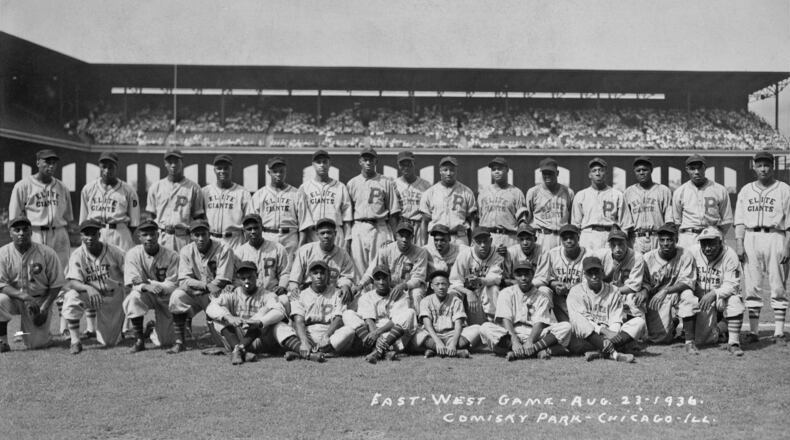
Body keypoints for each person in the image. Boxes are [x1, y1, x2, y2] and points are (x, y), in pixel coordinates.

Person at [206, 261, 322, 365]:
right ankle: (239, 349)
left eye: (250, 277)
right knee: (219, 318)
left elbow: (280, 311)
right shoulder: (232, 294)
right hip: (238, 336)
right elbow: (210, 308)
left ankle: (305, 352)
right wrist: (229, 317)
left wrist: (260, 322)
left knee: (277, 323)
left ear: (257, 276)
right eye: (243, 278)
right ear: (238, 279)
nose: (247, 281)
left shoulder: (266, 294)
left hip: (259, 338)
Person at [734, 151, 790, 345]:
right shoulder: (746, 190)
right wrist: (739, 243)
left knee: (778, 285)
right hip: (751, 237)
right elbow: (739, 220)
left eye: (767, 165)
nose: (763, 169)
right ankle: (754, 331)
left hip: (776, 236)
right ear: (754, 167)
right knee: (752, 285)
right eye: (760, 165)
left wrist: (787, 247)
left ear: (772, 167)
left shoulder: (784, 189)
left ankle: (779, 332)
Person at [480, 261, 571, 361]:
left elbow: (540, 323)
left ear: (533, 274)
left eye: (527, 274)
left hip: (535, 335)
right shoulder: (506, 293)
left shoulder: (542, 296)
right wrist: (514, 341)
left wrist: (530, 341)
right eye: (519, 275)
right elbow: (506, 319)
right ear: (514, 276)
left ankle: (522, 351)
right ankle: (536, 351)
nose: (523, 278)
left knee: (566, 327)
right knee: (485, 328)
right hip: (512, 333)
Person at [168, 219, 236, 354]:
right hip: (197, 292)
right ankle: (180, 342)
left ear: (209, 233)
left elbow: (223, 280)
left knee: (224, 343)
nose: (200, 238)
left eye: (203, 234)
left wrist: (204, 288)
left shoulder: (224, 248)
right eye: (196, 235)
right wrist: (204, 286)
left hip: (219, 292)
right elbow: (183, 280)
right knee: (177, 296)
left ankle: (223, 338)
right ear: (191, 236)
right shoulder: (186, 250)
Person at [642, 224, 711, 353]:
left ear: (676, 240)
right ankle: (673, 323)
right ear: (658, 241)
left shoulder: (685, 255)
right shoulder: (647, 258)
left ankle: (689, 342)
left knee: (688, 295)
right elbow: (643, 284)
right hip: (657, 298)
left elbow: (688, 282)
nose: (665, 243)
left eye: (669, 240)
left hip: (678, 293)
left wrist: (666, 290)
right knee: (660, 339)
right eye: (662, 240)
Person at [61, 220, 126, 354]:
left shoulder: (115, 251)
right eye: (86, 234)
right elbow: (73, 282)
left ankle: (128, 330)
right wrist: (88, 288)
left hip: (112, 297)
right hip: (91, 296)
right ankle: (75, 341)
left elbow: (129, 272)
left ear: (99, 234)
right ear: (81, 236)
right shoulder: (77, 255)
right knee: (71, 296)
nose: (89, 238)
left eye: (93, 234)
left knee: (109, 342)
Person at [0, 217, 64, 351]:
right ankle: (2, 341)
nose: (21, 233)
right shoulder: (3, 253)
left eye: (25, 229)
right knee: (0, 300)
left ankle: (43, 334)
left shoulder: (46, 253)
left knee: (36, 345)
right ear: (10, 233)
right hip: (15, 299)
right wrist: (24, 296)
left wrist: (45, 308)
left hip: (39, 300)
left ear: (31, 232)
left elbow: (57, 283)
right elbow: (1, 284)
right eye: (17, 230)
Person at [567, 257, 644, 363]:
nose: (594, 276)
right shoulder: (576, 291)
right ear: (584, 274)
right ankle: (614, 354)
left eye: (596, 272)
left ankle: (601, 352)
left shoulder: (613, 290)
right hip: (586, 339)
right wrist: (604, 331)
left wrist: (610, 336)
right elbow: (582, 322)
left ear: (602, 272)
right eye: (590, 273)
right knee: (577, 319)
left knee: (639, 322)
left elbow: (616, 319)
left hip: (610, 337)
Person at [9, 149, 74, 269]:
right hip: (35, 233)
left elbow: (68, 216)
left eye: (54, 162)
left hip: (59, 233)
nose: (51, 166)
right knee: (36, 272)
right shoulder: (22, 186)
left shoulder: (62, 187)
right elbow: (14, 218)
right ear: (38, 162)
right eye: (47, 162)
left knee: (60, 272)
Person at [339, 265, 417, 364]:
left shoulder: (400, 295)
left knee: (410, 312)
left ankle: (377, 351)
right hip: (370, 335)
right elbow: (368, 320)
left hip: (393, 335)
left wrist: (378, 332)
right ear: (373, 281)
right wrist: (376, 336)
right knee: (348, 313)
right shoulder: (366, 297)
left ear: (390, 279)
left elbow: (395, 322)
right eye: (378, 279)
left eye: (384, 278)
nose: (381, 282)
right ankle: (382, 351)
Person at [123, 220, 180, 353]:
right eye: (145, 235)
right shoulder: (132, 254)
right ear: (139, 237)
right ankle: (139, 340)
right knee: (133, 298)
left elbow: (172, 284)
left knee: (165, 341)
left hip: (165, 296)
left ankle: (153, 329)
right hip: (146, 294)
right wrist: (146, 286)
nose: (149, 238)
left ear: (158, 235)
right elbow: (132, 281)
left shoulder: (172, 255)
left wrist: (149, 283)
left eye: (152, 234)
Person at [346, 147, 401, 277]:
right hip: (359, 227)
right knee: (358, 268)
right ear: (360, 161)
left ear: (376, 161)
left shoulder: (385, 182)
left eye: (371, 159)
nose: (368, 162)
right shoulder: (352, 183)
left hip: (379, 227)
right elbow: (348, 214)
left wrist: (395, 236)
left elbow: (393, 213)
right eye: (365, 159)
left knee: (380, 266)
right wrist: (348, 238)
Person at [690, 227, 745, 356]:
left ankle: (733, 343)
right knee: (703, 340)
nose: (707, 248)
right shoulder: (693, 252)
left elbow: (732, 285)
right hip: (701, 300)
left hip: (721, 298)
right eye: (704, 244)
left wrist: (714, 293)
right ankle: (721, 328)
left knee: (735, 301)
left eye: (711, 244)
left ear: (720, 242)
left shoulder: (730, 255)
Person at [355, 221, 428, 311]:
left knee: (417, 293)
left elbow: (418, 278)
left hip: (408, 287)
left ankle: (416, 318)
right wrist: (360, 285)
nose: (404, 239)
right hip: (389, 287)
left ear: (412, 237)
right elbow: (372, 271)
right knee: (365, 294)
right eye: (401, 236)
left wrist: (404, 286)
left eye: (407, 236)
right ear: (396, 236)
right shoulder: (386, 249)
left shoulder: (420, 252)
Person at [289, 261, 355, 359]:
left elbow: (338, 319)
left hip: (330, 334)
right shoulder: (301, 295)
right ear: (310, 275)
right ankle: (315, 352)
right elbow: (299, 321)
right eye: (315, 273)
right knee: (284, 329)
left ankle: (306, 354)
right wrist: (304, 341)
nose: (319, 276)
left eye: (322, 273)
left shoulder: (337, 293)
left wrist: (326, 336)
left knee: (349, 331)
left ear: (328, 275)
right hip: (308, 333)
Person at [409, 270, 480, 358]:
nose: (441, 287)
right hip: (432, 336)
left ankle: (434, 351)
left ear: (448, 285)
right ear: (431, 286)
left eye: (443, 284)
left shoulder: (456, 301)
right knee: (415, 333)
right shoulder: (425, 301)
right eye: (437, 284)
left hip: (451, 335)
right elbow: (427, 326)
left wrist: (453, 343)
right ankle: (456, 352)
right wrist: (438, 342)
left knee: (477, 329)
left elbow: (458, 325)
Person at [145, 148, 205, 252]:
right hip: (161, 236)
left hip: (184, 237)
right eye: (170, 162)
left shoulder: (194, 188)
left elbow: (198, 218)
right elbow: (151, 217)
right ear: (165, 164)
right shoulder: (156, 187)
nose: (173, 165)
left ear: (182, 163)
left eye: (176, 161)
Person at [79, 151, 140, 251]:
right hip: (95, 233)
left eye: (110, 167)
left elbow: (134, 224)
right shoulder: (88, 189)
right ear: (100, 167)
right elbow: (83, 221)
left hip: (119, 233)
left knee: (122, 260)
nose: (107, 170)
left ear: (116, 167)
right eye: (104, 167)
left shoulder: (129, 191)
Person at [250, 156, 307, 262]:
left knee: (289, 271)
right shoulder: (259, 194)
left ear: (285, 171)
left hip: (290, 238)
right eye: (275, 171)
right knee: (267, 271)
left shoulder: (296, 194)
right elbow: (252, 224)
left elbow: (304, 226)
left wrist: (300, 248)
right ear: (269, 172)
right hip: (267, 236)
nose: (278, 174)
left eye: (281, 171)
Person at [672, 154, 733, 249]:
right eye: (692, 169)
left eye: (699, 168)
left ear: (705, 168)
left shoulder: (719, 190)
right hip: (688, 237)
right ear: (687, 170)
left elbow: (727, 220)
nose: (696, 172)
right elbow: (677, 221)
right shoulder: (680, 192)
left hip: (712, 235)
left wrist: (716, 233)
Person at [288, 218, 355, 302]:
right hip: (308, 292)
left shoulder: (343, 254)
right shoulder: (305, 250)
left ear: (335, 233)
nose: (326, 236)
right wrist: (294, 288)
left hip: (332, 294)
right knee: (289, 300)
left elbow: (347, 276)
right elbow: (295, 277)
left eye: (329, 232)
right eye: (322, 233)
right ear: (317, 235)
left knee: (352, 298)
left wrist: (345, 286)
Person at [296, 149, 352, 247]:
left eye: (325, 162)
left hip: (335, 233)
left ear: (329, 164)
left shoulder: (340, 187)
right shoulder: (304, 188)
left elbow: (347, 217)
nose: (322, 165)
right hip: (314, 233)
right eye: (318, 162)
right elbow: (302, 219)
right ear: (313, 165)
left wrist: (347, 239)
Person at [449, 227, 505, 325]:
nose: (483, 245)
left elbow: (495, 278)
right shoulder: (465, 254)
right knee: (452, 293)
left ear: (491, 241)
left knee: (494, 289)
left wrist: (480, 280)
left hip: (484, 291)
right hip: (466, 292)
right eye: (479, 242)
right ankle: (456, 325)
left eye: (485, 241)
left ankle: (494, 322)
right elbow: (455, 281)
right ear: (473, 243)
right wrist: (468, 293)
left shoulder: (497, 253)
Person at [419, 156, 477, 245]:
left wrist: (473, 242)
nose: (449, 173)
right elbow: (424, 221)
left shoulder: (466, 192)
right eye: (445, 170)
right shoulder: (430, 192)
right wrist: (423, 244)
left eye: (452, 170)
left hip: (459, 237)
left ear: (456, 171)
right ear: (440, 171)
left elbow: (472, 220)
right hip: (437, 238)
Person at [540, 224, 592, 322]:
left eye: (571, 237)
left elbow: (588, 283)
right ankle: (544, 322)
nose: (568, 241)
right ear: (561, 240)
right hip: (558, 298)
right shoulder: (553, 254)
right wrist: (555, 284)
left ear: (578, 238)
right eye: (565, 238)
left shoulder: (589, 255)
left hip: (579, 297)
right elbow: (546, 278)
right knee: (543, 291)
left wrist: (568, 288)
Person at [572, 157, 625, 250]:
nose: (597, 173)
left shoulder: (617, 194)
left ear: (606, 173)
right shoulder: (581, 195)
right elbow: (576, 224)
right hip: (588, 234)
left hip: (610, 235)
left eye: (601, 170)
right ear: (589, 175)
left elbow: (625, 223)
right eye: (594, 171)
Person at [622, 156, 673, 253]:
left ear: (651, 170)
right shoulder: (628, 192)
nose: (641, 173)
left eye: (645, 170)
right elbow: (626, 222)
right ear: (634, 172)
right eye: (638, 170)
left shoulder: (663, 190)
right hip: (636, 239)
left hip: (657, 237)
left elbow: (669, 220)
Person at [202, 154, 251, 251]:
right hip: (210, 239)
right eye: (219, 168)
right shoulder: (205, 191)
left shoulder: (243, 193)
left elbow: (249, 222)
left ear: (231, 169)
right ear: (214, 170)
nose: (222, 171)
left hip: (234, 240)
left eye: (226, 168)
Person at [594, 230, 647, 321]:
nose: (617, 249)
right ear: (609, 245)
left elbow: (633, 287)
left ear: (627, 243)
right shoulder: (601, 255)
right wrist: (612, 270)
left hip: (626, 293)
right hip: (605, 292)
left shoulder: (637, 257)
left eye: (620, 244)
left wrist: (609, 291)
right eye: (613, 245)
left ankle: (635, 327)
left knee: (633, 301)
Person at [477, 157, 527, 252]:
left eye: (499, 169)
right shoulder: (483, 193)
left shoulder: (516, 192)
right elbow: (479, 218)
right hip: (487, 237)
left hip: (509, 237)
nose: (496, 172)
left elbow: (522, 223)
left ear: (507, 170)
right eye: (494, 169)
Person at [234, 214, 290, 297]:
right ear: (244, 231)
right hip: (248, 295)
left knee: (285, 301)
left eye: (256, 228)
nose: (253, 231)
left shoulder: (277, 248)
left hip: (273, 294)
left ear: (262, 228)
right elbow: (235, 278)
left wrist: (282, 286)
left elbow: (285, 272)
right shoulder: (239, 253)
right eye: (249, 229)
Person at [524, 158, 574, 250]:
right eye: (544, 173)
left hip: (563, 236)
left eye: (550, 173)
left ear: (557, 173)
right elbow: (528, 219)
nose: (547, 176)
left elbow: (571, 219)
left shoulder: (568, 192)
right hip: (542, 236)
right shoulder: (533, 192)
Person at [394, 151, 431, 247]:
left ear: (414, 164)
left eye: (409, 164)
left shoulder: (426, 185)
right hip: (401, 225)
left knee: (420, 252)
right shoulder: (394, 184)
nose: (406, 167)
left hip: (419, 225)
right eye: (403, 164)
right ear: (399, 166)